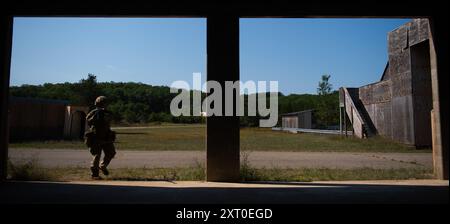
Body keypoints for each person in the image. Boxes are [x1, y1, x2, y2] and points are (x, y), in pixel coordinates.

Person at [85, 96, 116, 179]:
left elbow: (110, 119)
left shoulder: (107, 113)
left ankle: (102, 166)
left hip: (106, 137)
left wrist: (104, 114)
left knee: (111, 152)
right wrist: (96, 115)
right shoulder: (94, 112)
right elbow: (88, 121)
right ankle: (95, 174)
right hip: (96, 137)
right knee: (96, 155)